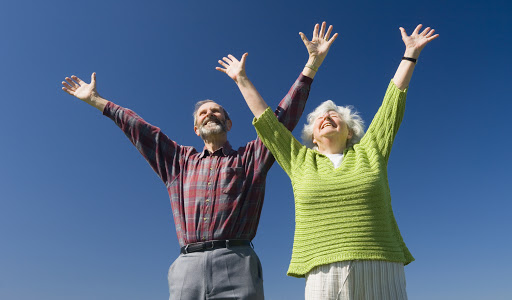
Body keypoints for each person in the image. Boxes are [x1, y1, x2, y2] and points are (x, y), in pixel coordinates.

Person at [61, 22, 337, 300]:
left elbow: (280, 121)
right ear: (196, 128)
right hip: (187, 269)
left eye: (217, 111)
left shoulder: (250, 158)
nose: (210, 114)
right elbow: (140, 129)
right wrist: (98, 101)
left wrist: (310, 66)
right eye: (203, 113)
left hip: (237, 262)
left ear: (229, 123)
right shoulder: (179, 162)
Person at [218, 24, 439, 300]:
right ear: (313, 136)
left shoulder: (370, 150)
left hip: (381, 265)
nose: (327, 117)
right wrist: (241, 78)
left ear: (350, 131)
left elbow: (392, 103)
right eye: (320, 118)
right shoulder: (299, 160)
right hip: (323, 271)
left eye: (336, 116)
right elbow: (268, 124)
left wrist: (410, 54)